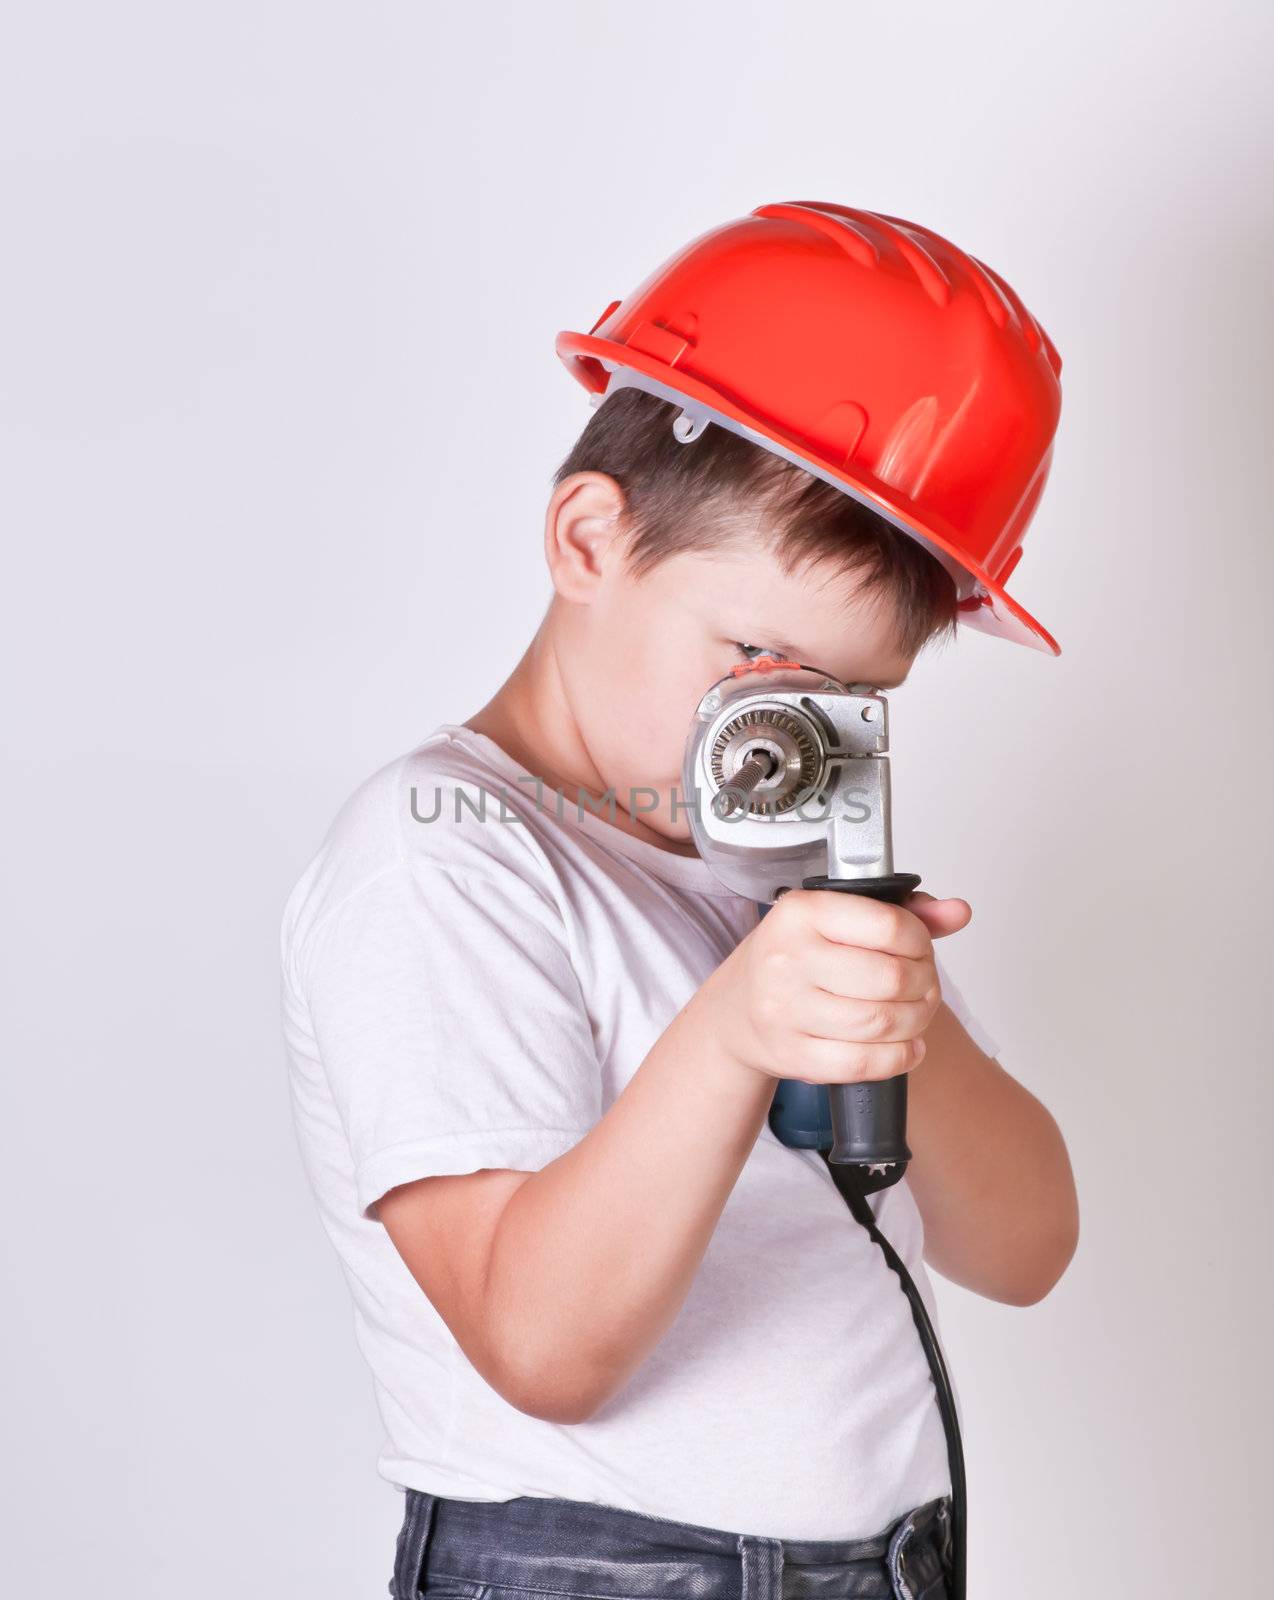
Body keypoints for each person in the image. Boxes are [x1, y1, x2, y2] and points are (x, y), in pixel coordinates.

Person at [280, 202, 1079, 1600]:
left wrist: (898, 1012)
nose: (781, 723)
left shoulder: (780, 866)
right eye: (750, 649)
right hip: (608, 1570)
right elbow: (543, 1348)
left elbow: (1021, 1251)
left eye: (845, 696)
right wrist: (733, 1030)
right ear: (591, 539)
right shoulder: (441, 853)